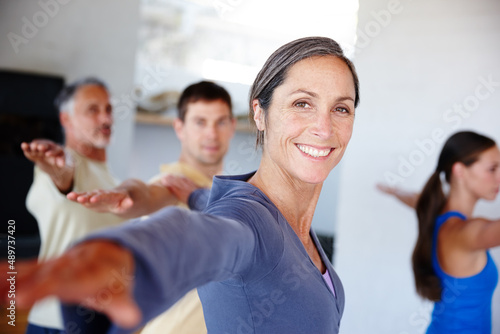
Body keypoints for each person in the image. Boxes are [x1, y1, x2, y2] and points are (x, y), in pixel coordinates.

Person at [4, 36, 360, 334]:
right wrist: (122, 260)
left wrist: (192, 195)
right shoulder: (248, 220)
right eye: (302, 103)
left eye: (341, 109)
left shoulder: (266, 212)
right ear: (259, 113)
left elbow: (205, 205)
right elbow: (206, 235)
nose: (324, 128)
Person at [65, 80, 236, 334]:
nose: (212, 133)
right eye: (200, 122)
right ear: (179, 128)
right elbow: (146, 194)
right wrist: (126, 194)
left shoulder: (229, 192)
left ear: (232, 126)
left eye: (220, 122)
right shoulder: (172, 184)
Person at [20, 77, 125, 334]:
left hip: (101, 323)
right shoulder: (58, 167)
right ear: (66, 119)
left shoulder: (114, 182)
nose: (105, 119)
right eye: (93, 110)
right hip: (56, 324)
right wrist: (59, 171)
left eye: (108, 109)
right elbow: (64, 177)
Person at [381, 131, 500, 333]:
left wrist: (394, 191)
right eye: (492, 169)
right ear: (460, 171)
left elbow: (413, 198)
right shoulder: (465, 233)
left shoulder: (433, 210)